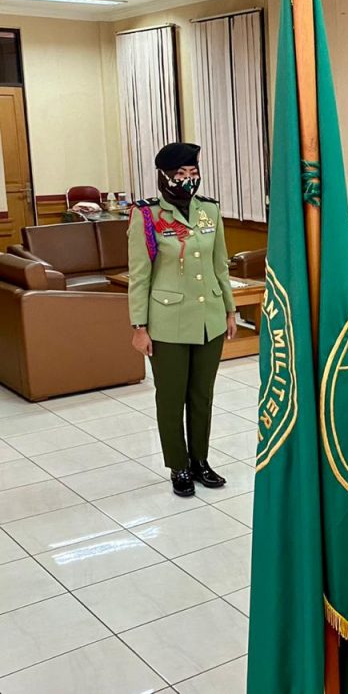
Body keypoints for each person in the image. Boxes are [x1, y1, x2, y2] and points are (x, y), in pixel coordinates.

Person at [127, 142, 237, 497]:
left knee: (202, 396)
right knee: (172, 398)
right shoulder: (147, 215)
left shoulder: (210, 211)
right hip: (167, 322)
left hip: (209, 319)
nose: (188, 180)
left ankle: (200, 460)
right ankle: (178, 465)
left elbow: (220, 264)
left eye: (193, 173)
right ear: (164, 177)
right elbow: (139, 276)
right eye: (180, 174)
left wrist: (230, 310)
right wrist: (139, 326)